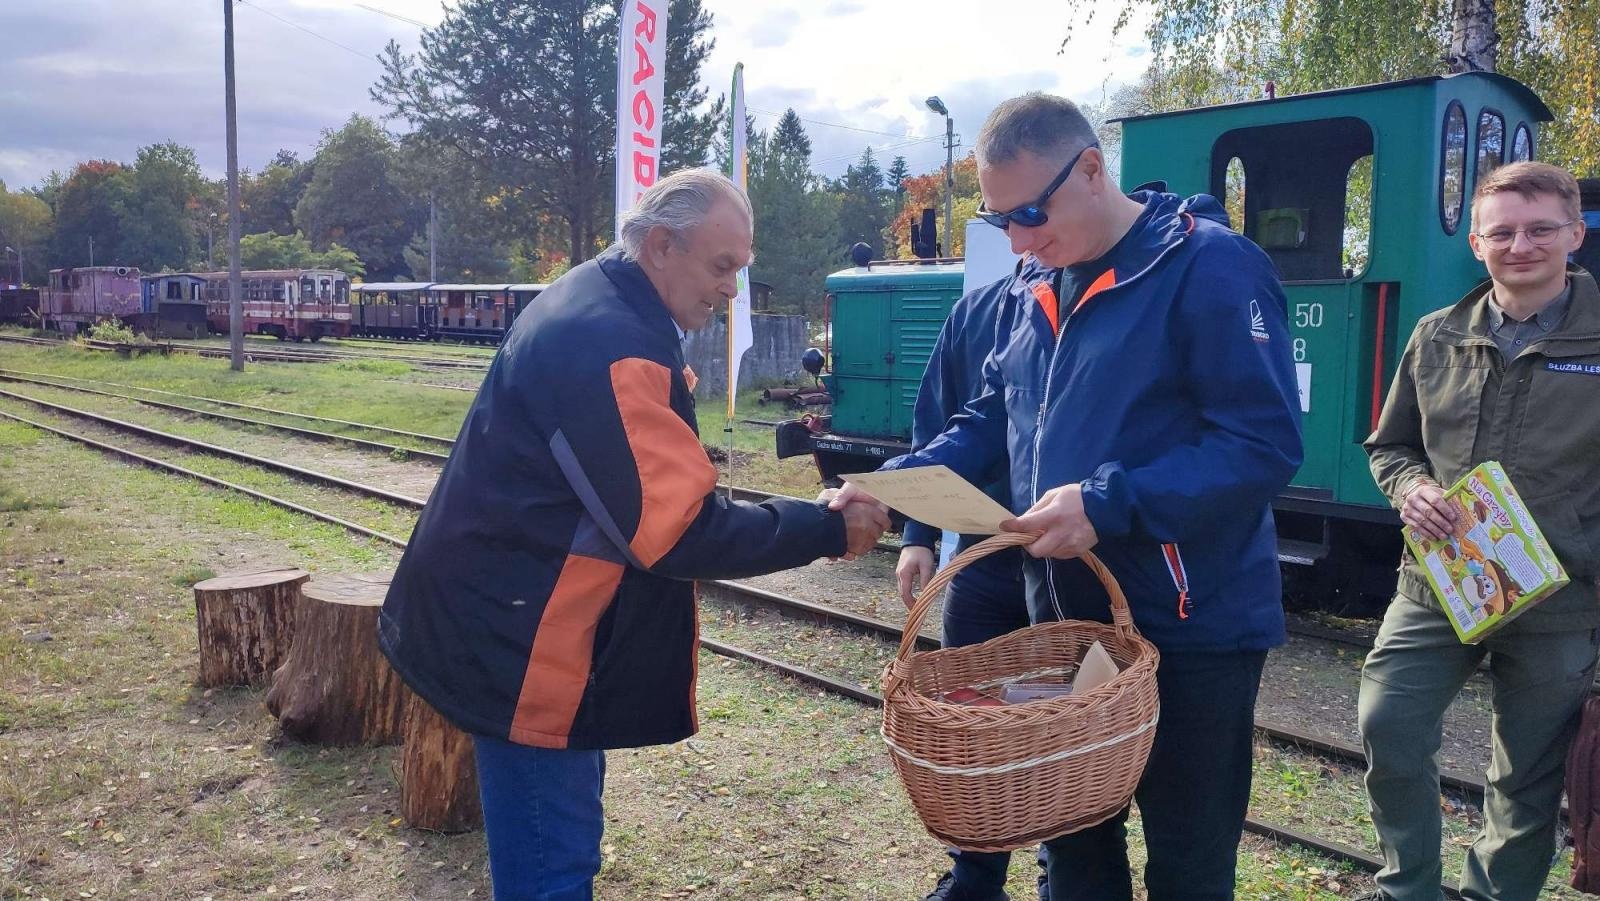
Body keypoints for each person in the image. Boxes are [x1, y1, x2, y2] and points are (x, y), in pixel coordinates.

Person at [832, 92, 1303, 900]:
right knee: (1077, 853)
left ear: (1091, 169)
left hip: (1192, 632)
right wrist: (902, 488)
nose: (1016, 238)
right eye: (998, 219)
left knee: (1190, 857)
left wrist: (1105, 501)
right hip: (1068, 627)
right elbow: (989, 415)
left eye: (1029, 212)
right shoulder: (1033, 281)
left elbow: (1263, 445)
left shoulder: (1210, 266)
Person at [378, 168, 890, 901]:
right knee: (552, 871)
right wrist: (826, 527)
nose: (732, 291)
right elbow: (679, 533)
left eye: (740, 270)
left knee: (560, 850)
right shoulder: (615, 345)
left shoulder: (599, 296)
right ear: (659, 247)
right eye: (721, 268)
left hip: (516, 619)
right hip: (528, 646)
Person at [1358, 160, 1600, 901]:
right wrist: (1412, 487)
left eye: (1539, 229)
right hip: (1438, 585)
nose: (1520, 244)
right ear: (1476, 242)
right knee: (1387, 720)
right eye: (1502, 231)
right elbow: (1390, 445)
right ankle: (1409, 887)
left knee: (1524, 776)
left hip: (1560, 597)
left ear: (1576, 234)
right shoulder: (1435, 338)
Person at [896, 273, 1045, 901]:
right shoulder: (975, 312)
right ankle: (974, 879)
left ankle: (1055, 875)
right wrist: (917, 535)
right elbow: (936, 427)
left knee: (1054, 726)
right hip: (983, 564)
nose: (1022, 241)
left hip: (1065, 567)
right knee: (974, 725)